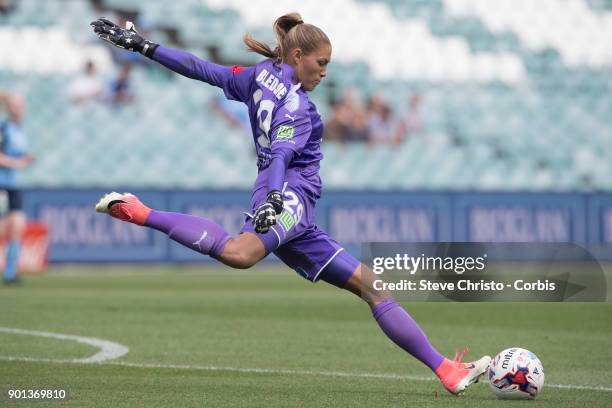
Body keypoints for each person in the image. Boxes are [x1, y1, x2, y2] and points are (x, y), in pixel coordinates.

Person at [90, 14, 490, 395]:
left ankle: (446, 370)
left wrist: (144, 47)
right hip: (290, 196)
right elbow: (282, 153)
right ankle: (141, 212)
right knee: (240, 253)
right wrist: (278, 198)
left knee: (373, 287)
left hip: (288, 201)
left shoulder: (258, 76)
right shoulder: (300, 108)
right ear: (298, 57)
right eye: (322, 62)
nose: (325, 71)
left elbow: (201, 69)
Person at [0, 92, 35, 285]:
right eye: (17, 105)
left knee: (17, 226)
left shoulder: (18, 129)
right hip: (1, 184)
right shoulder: (4, 128)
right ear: (8, 107)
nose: (20, 109)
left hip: (13, 185)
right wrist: (17, 162)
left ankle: (10, 273)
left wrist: (26, 158)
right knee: (7, 227)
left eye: (22, 105)